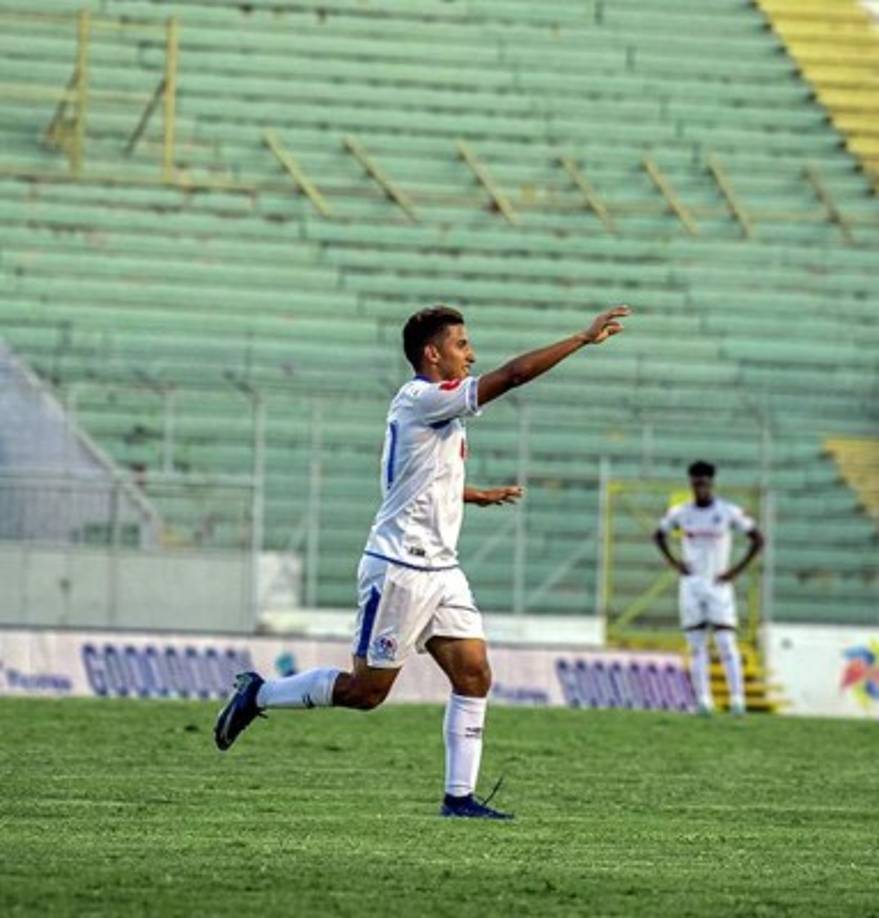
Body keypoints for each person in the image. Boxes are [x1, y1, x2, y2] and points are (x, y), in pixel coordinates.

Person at [215, 303, 631, 818]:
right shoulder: (423, 398)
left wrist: (475, 495)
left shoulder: (436, 409)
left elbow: (419, 480)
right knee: (367, 693)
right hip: (400, 569)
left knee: (475, 675)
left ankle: (459, 798)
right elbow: (515, 375)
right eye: (462, 345)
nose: (471, 354)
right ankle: (259, 695)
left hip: (441, 570)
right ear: (432, 354)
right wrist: (582, 339)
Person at [653, 461, 764, 716]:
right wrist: (674, 563)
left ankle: (737, 700)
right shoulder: (681, 513)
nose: (700, 487)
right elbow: (658, 535)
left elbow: (758, 539)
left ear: (711, 483)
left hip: (718, 584)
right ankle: (703, 700)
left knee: (726, 641)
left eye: (704, 482)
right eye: (695, 482)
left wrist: (736, 571)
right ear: (690, 483)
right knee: (696, 644)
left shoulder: (727, 512)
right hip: (691, 585)